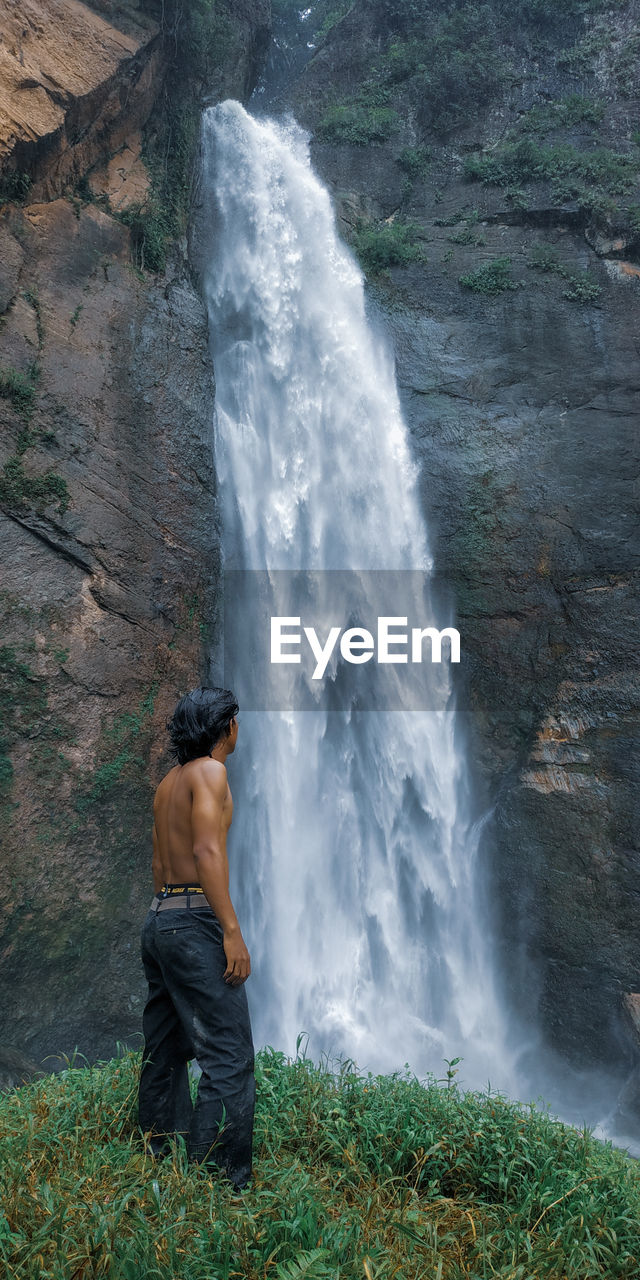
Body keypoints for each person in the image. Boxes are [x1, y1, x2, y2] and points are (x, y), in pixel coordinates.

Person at [136, 686, 255, 1191]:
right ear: (225, 726)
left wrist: (171, 922)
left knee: (164, 1049)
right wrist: (230, 931)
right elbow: (207, 850)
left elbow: (161, 864)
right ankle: (219, 1180)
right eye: (236, 720)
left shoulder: (168, 783)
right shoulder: (211, 772)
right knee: (228, 1053)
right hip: (193, 922)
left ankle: (155, 1156)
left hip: (160, 918)